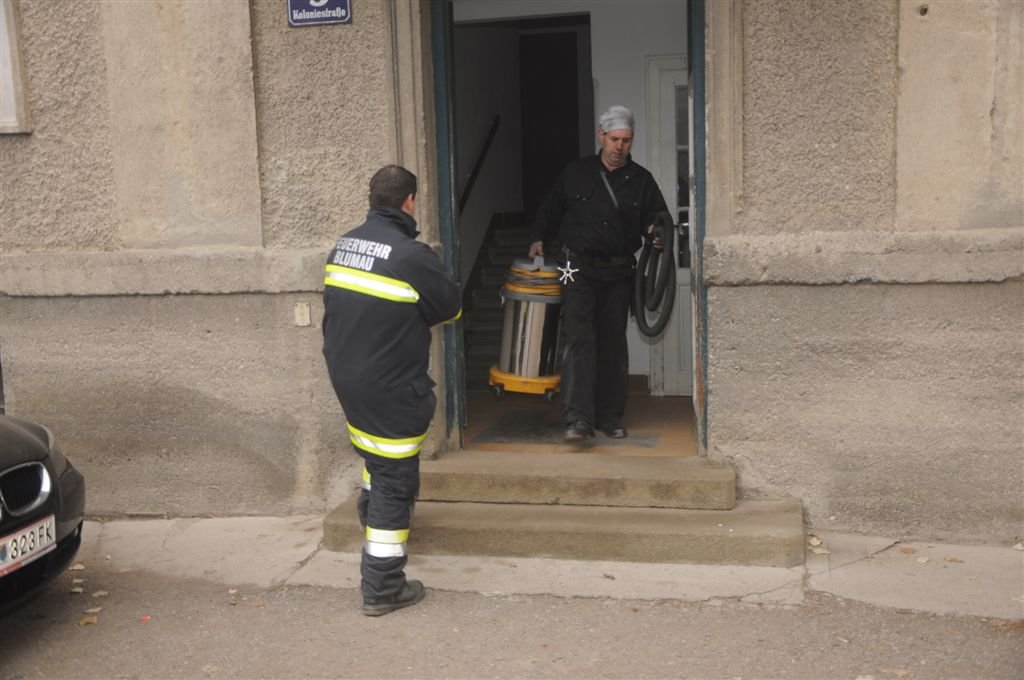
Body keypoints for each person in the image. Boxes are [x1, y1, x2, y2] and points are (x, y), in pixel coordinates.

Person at [322, 164, 462, 616]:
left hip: (350, 380)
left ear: (372, 199)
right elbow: (450, 308)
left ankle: (371, 514)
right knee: (395, 480)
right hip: (391, 385)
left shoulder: (344, 246)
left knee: (377, 458)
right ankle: (382, 587)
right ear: (410, 201)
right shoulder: (410, 255)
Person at [528, 105, 668, 443]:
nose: (620, 146)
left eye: (626, 140)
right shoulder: (576, 172)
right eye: (614, 139)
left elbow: (658, 216)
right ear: (601, 136)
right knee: (580, 341)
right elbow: (550, 206)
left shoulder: (642, 180)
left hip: (619, 272)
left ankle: (610, 418)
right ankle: (578, 419)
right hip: (574, 269)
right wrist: (537, 236)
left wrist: (657, 232)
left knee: (613, 345)